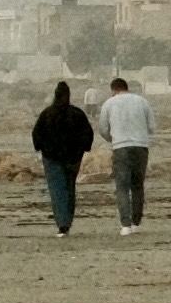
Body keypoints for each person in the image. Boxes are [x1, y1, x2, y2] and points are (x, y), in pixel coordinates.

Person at [28, 79, 95, 233]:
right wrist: (84, 149)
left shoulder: (47, 114)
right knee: (70, 188)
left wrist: (40, 148)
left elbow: (37, 134)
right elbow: (88, 133)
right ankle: (67, 220)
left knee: (57, 189)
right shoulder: (77, 114)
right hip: (73, 157)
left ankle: (62, 223)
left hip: (52, 157)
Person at [99, 74, 156, 229]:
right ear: (126, 87)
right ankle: (136, 222)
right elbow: (152, 127)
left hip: (120, 147)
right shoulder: (142, 102)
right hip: (141, 146)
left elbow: (103, 128)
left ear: (113, 90)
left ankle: (125, 224)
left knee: (122, 186)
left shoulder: (109, 104)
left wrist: (113, 138)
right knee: (137, 185)